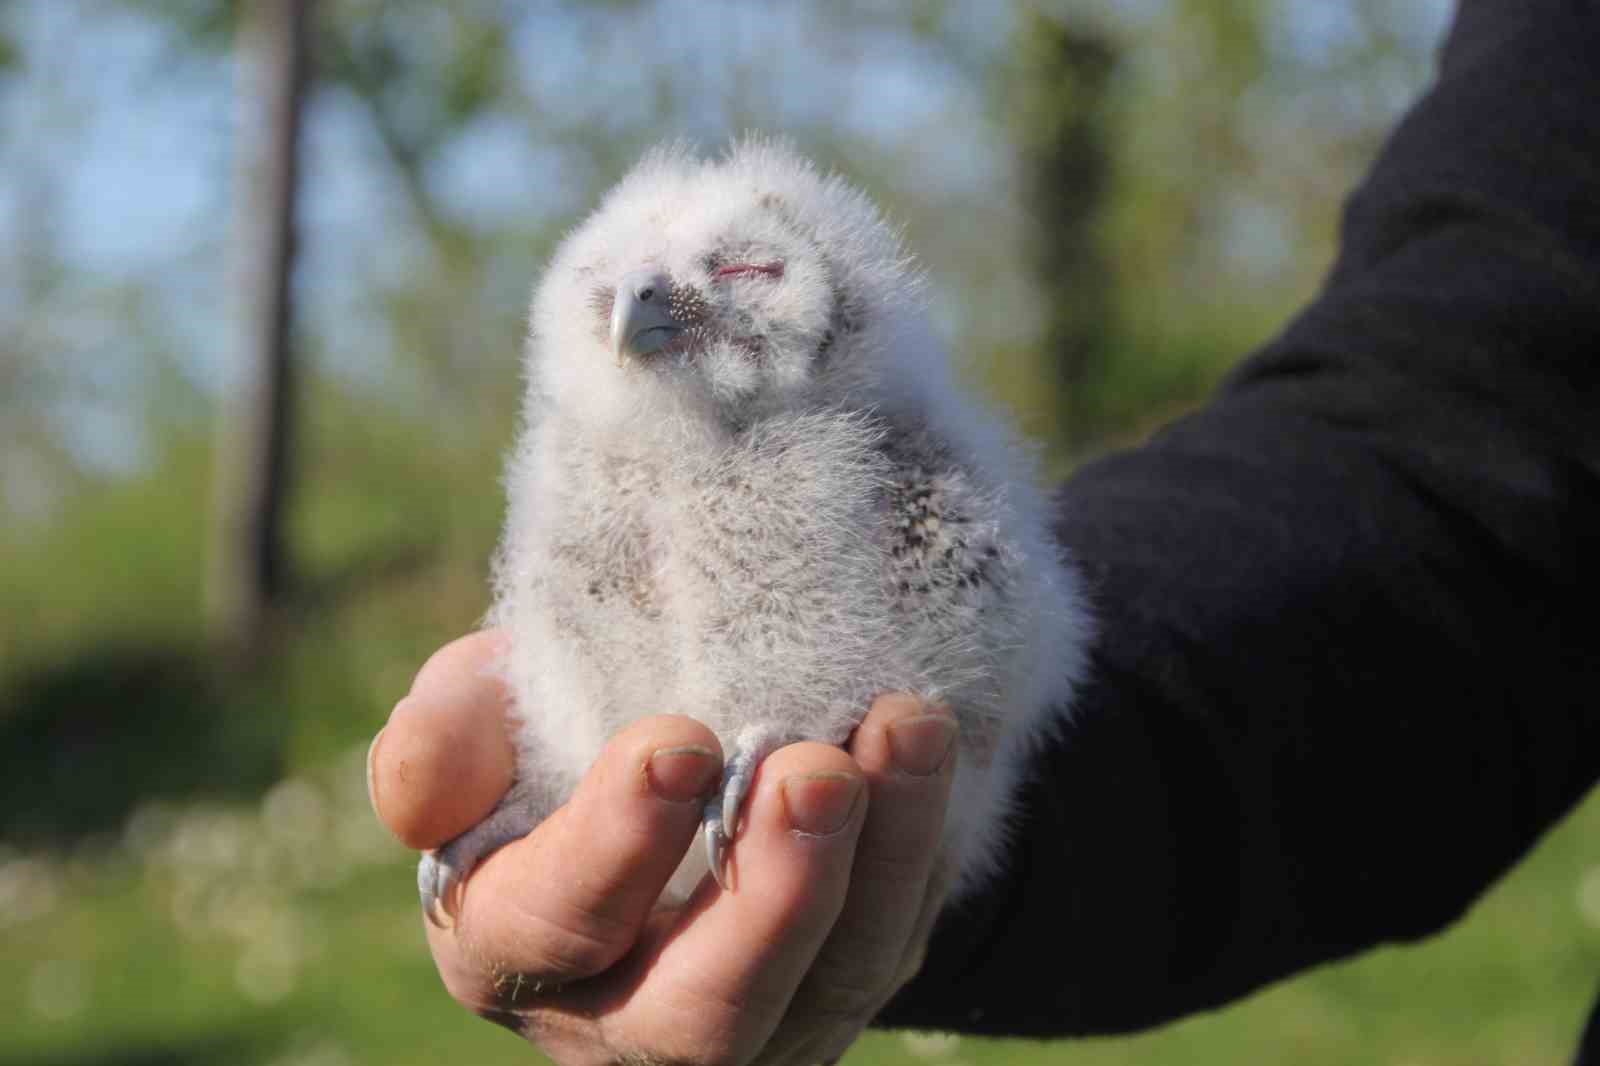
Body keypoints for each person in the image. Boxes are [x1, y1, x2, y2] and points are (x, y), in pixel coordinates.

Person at [366, 0, 1600, 1061]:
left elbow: (971, 616)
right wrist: (917, 864)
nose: (650, 308)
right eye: (609, 295)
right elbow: (1473, 454)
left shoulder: (878, 458)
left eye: (740, 277)